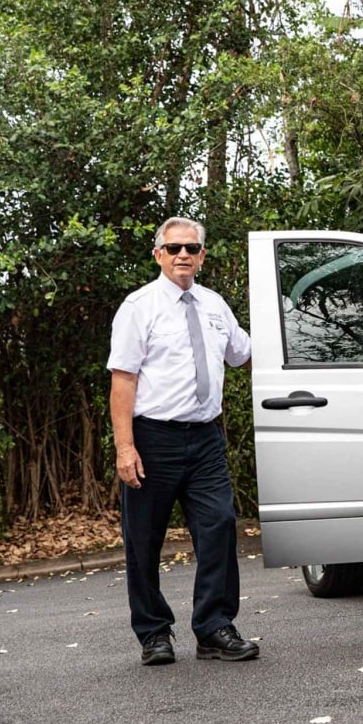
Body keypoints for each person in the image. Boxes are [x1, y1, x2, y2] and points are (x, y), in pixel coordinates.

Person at [107, 217, 259, 665]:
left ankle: (213, 628)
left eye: (191, 248)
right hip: (153, 438)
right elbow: (123, 380)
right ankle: (154, 633)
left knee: (219, 526)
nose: (183, 256)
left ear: (202, 255)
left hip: (206, 438)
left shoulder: (215, 305)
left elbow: (246, 356)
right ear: (158, 254)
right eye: (173, 248)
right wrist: (125, 446)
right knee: (144, 538)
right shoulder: (139, 306)